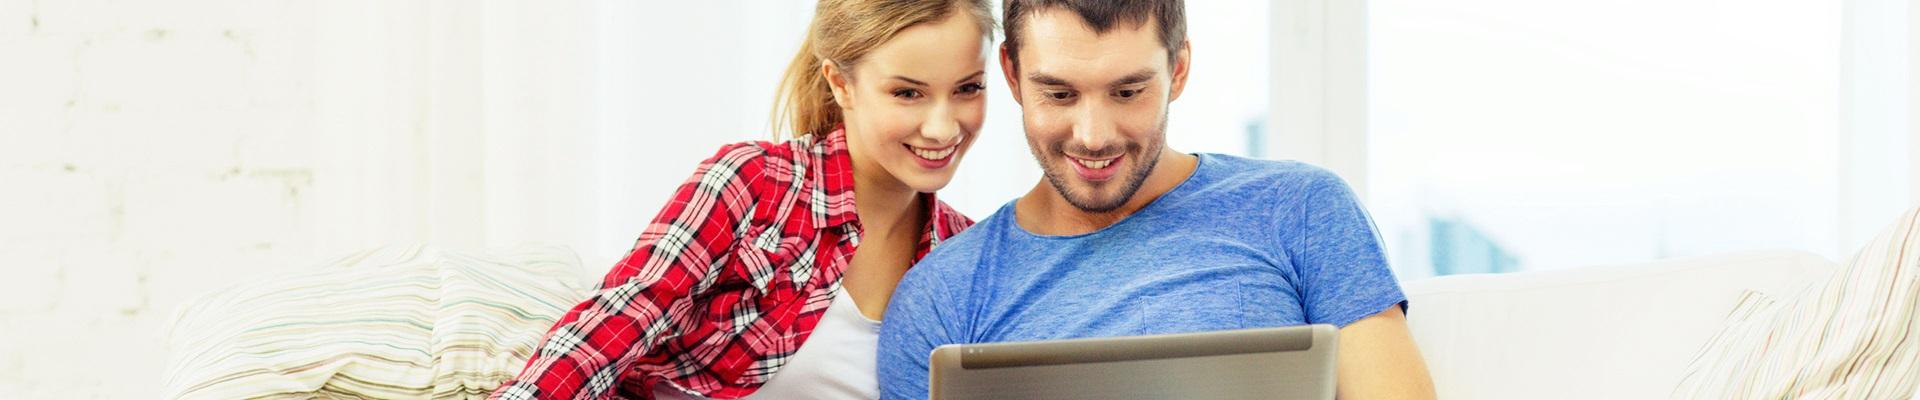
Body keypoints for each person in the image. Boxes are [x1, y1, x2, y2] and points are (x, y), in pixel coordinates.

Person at [877, 1, 1438, 399]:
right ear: (1012, 75)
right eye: (1059, 93)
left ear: (1179, 69)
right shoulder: (941, 299)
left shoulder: (1302, 211)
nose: (1093, 135)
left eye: (1127, 92)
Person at [491, 1, 995, 398]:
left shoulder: (967, 253)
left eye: (967, 89)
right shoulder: (754, 186)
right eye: (908, 93)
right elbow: (614, 326)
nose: (943, 126)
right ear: (840, 83)